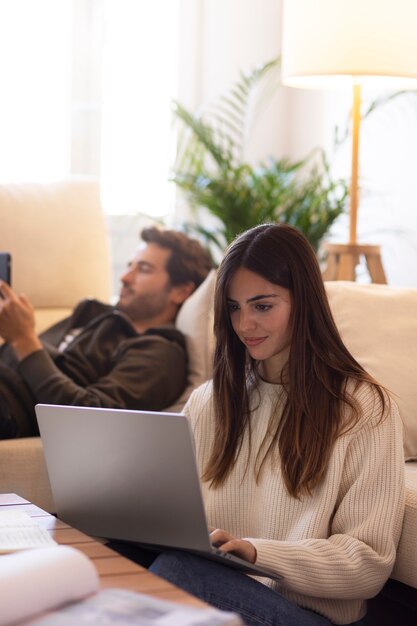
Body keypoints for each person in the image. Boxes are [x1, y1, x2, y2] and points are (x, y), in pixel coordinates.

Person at [148, 223, 405, 626]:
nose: (245, 324)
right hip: (212, 596)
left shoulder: (364, 410)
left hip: (305, 614)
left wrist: (255, 552)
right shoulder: (208, 402)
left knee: (179, 574)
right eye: (234, 307)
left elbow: (367, 564)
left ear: (305, 302)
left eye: (262, 305)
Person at [0, 226, 213, 439]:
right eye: (130, 266)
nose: (125, 277)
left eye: (144, 269)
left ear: (180, 291)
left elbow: (90, 417)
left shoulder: (161, 352)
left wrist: (23, 339)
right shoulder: (93, 314)